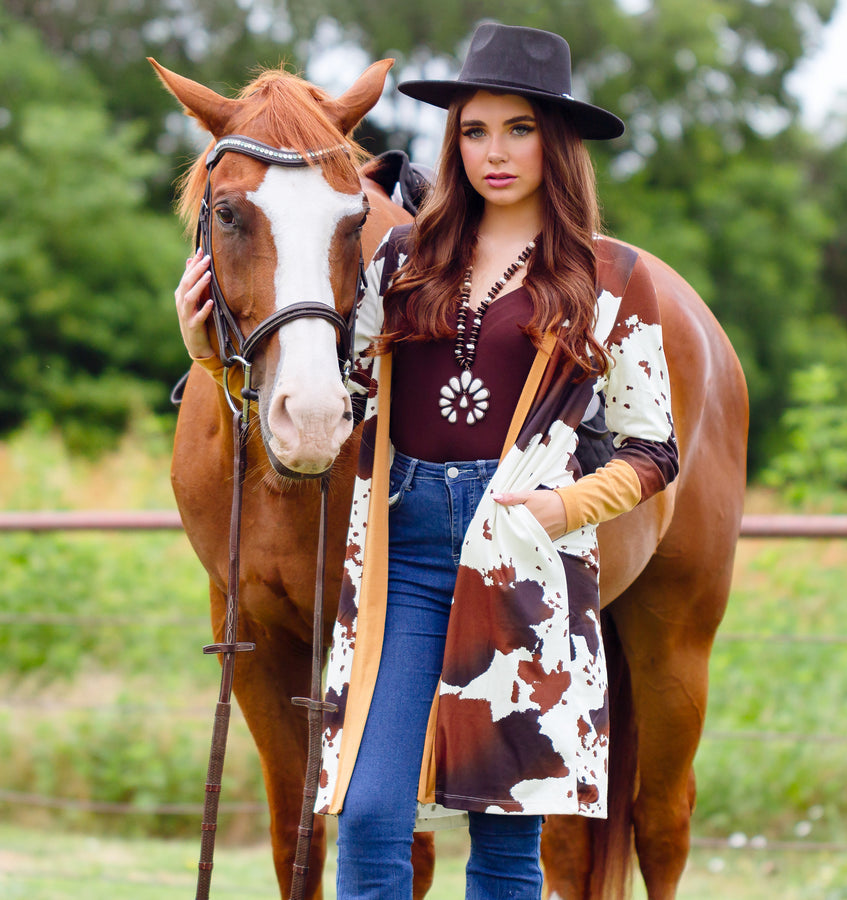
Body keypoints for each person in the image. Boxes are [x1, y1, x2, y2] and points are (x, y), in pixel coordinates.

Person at [175, 22, 678, 900]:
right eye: (475, 131)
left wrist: (568, 510)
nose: (495, 152)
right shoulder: (406, 260)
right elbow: (346, 392)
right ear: (454, 141)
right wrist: (213, 358)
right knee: (369, 812)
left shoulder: (611, 278)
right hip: (405, 549)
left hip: (527, 558)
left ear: (556, 144)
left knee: (505, 835)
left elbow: (652, 446)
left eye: (519, 129)